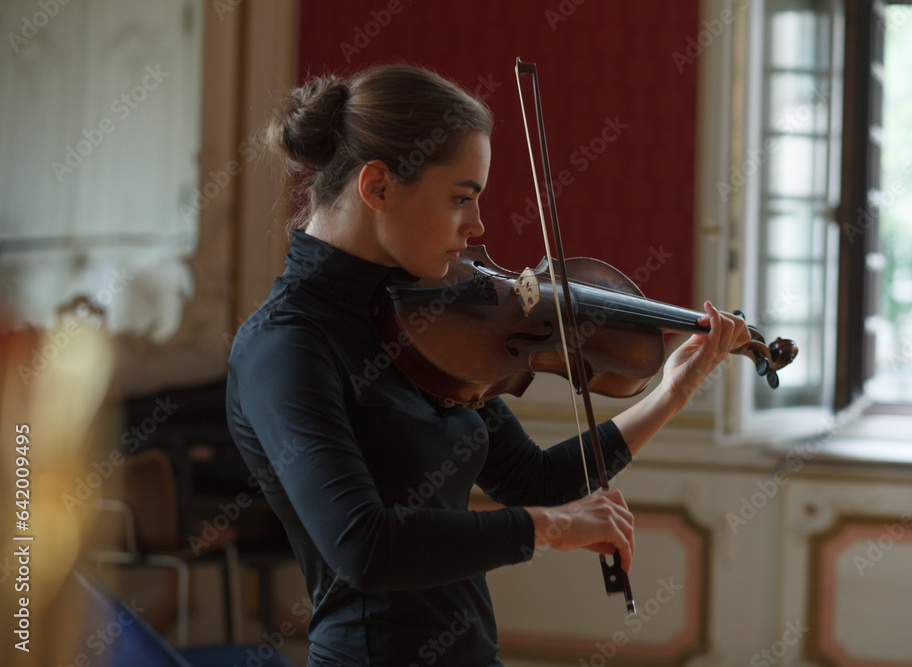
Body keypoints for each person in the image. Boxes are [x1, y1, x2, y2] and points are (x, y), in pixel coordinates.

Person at [225, 63, 750, 667]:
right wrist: (550, 529)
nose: (478, 226)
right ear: (377, 187)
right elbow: (363, 546)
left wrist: (671, 395)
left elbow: (533, 479)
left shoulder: (422, 319)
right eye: (459, 199)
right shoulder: (286, 344)